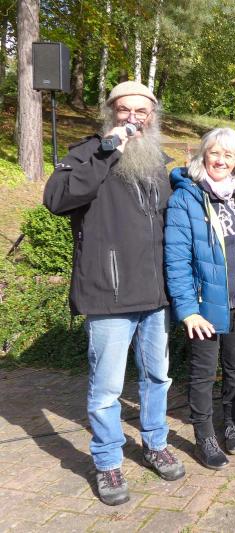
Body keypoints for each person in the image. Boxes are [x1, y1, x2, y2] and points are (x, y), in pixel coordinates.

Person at [43, 81, 185, 506]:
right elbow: (56, 198)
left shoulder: (157, 161)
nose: (133, 118)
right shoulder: (88, 153)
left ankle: (155, 443)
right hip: (110, 294)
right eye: (125, 110)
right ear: (111, 112)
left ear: (152, 116)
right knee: (106, 388)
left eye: (142, 111)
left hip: (156, 296)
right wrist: (107, 152)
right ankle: (107, 461)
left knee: (157, 377)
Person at [164, 128, 235, 470]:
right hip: (203, 307)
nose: (221, 160)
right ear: (203, 155)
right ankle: (205, 436)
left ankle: (232, 424)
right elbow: (176, 259)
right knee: (203, 374)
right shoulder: (186, 198)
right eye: (215, 152)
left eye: (228, 155)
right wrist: (187, 310)